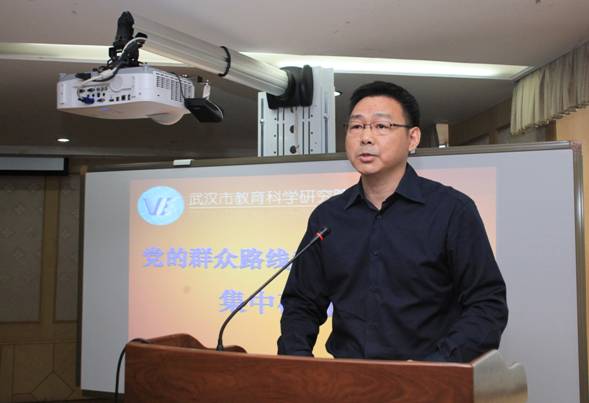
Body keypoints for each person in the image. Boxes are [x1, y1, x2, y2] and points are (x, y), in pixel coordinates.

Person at [277, 81, 508, 363]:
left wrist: (433, 368)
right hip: (347, 380)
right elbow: (301, 303)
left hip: (430, 380)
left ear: (413, 138)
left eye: (381, 126)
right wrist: (299, 368)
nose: (366, 137)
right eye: (356, 126)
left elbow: (487, 306)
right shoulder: (328, 217)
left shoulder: (452, 211)